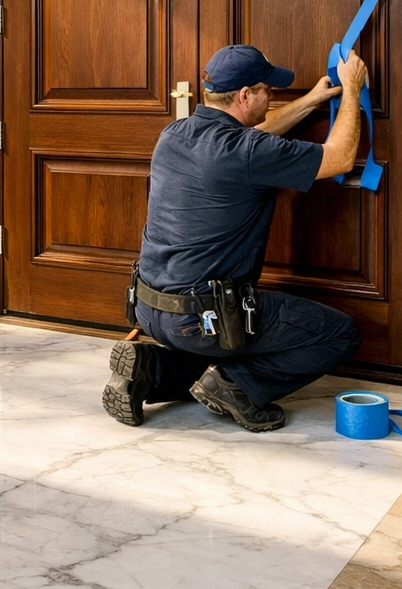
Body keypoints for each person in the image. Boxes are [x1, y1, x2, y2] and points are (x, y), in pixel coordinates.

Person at [102, 44, 367, 432]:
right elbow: (340, 156)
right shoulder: (245, 152)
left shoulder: (174, 135)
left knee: (212, 351)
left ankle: (152, 369)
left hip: (151, 310)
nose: (273, 95)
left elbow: (254, 138)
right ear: (245, 95)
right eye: (267, 90)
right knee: (341, 335)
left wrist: (311, 101)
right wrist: (353, 89)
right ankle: (238, 388)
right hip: (203, 318)